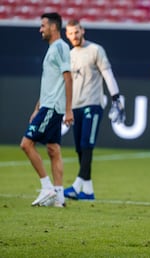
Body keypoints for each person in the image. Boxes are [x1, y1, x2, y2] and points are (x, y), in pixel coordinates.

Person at [63, 19, 125, 201]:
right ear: (67, 35)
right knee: (80, 149)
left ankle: (76, 186)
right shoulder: (69, 55)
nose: (74, 36)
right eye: (70, 33)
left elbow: (107, 73)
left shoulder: (95, 50)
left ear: (82, 31)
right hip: (75, 107)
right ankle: (88, 191)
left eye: (76, 32)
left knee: (87, 145)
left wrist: (116, 97)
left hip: (93, 104)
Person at [20, 12, 73, 208]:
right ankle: (59, 198)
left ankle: (46, 187)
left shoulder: (60, 47)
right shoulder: (53, 48)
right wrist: (37, 107)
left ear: (53, 27)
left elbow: (68, 78)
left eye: (43, 25)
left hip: (53, 107)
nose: (40, 29)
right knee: (53, 149)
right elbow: (51, 83)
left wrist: (69, 110)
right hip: (47, 105)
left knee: (26, 144)